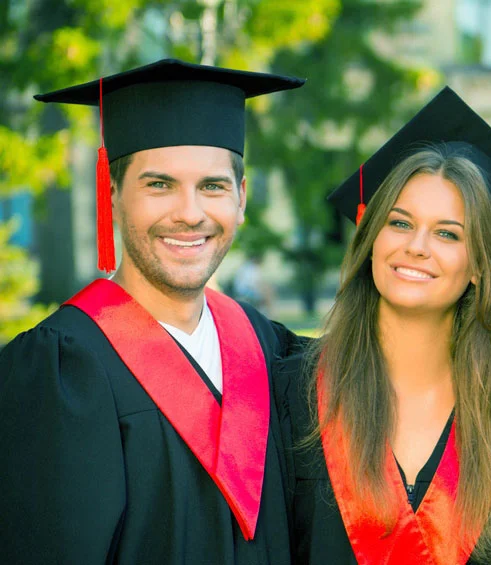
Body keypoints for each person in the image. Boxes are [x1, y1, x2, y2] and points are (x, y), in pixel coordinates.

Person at [0, 58, 305, 562]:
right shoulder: (60, 369)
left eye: (213, 186)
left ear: (242, 198)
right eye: (159, 184)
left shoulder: (264, 344)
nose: (190, 212)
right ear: (113, 194)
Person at [276, 87, 491, 565]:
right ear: (371, 238)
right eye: (399, 223)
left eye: (448, 233)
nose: (416, 246)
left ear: (479, 265)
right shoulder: (296, 392)